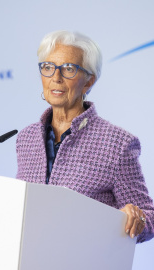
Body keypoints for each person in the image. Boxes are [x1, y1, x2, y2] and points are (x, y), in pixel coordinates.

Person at [16, 30, 154, 243]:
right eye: (48, 67)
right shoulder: (26, 139)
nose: (56, 78)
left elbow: (148, 217)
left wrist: (138, 218)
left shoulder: (118, 143)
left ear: (89, 81)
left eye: (69, 69)